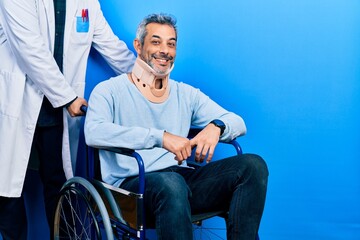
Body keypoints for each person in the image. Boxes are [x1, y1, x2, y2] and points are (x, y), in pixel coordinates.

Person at [84, 13, 268, 240]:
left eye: (171, 44)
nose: (165, 50)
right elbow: (93, 132)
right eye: (156, 42)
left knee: (253, 165)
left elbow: (238, 121)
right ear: (138, 46)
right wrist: (160, 137)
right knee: (171, 184)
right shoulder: (109, 90)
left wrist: (216, 126)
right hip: (131, 188)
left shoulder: (185, 94)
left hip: (180, 182)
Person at [0, 0, 135, 239]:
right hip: (16, 103)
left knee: (60, 188)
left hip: (55, 114)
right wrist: (68, 97)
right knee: (8, 193)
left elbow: (112, 47)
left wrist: (145, 78)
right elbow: (29, 48)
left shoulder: (87, 3)